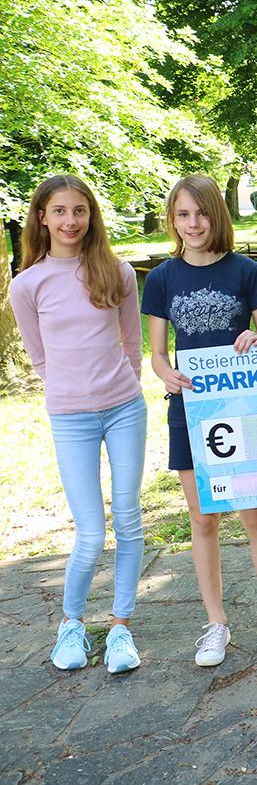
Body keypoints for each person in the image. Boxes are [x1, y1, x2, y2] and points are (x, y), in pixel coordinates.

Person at [142, 174, 257, 667]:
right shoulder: (162, 278)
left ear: (217, 216)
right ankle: (216, 623)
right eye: (183, 214)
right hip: (190, 410)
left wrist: (255, 340)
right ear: (172, 219)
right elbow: (157, 354)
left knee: (254, 516)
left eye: (202, 213)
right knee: (203, 518)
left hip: (243, 410)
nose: (193, 223)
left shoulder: (246, 270)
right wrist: (167, 374)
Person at [10, 175, 147, 673]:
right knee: (90, 533)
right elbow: (39, 356)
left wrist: (122, 386)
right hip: (71, 418)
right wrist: (73, 393)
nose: (71, 221)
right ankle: (71, 624)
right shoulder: (27, 284)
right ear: (42, 217)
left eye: (80, 211)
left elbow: (132, 342)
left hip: (125, 409)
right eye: (60, 211)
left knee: (128, 519)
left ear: (91, 216)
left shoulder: (118, 271)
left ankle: (121, 627)